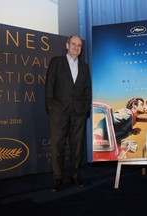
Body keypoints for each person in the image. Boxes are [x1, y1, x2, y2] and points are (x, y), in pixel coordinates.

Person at [45, 35, 92, 192]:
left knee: (77, 146)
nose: (76, 47)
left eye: (79, 45)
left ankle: (75, 176)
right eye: (73, 44)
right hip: (59, 111)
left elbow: (87, 90)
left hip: (78, 113)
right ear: (67, 45)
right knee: (57, 145)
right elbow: (49, 85)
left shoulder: (84, 67)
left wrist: (85, 108)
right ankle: (57, 178)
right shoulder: (56, 62)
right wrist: (51, 106)